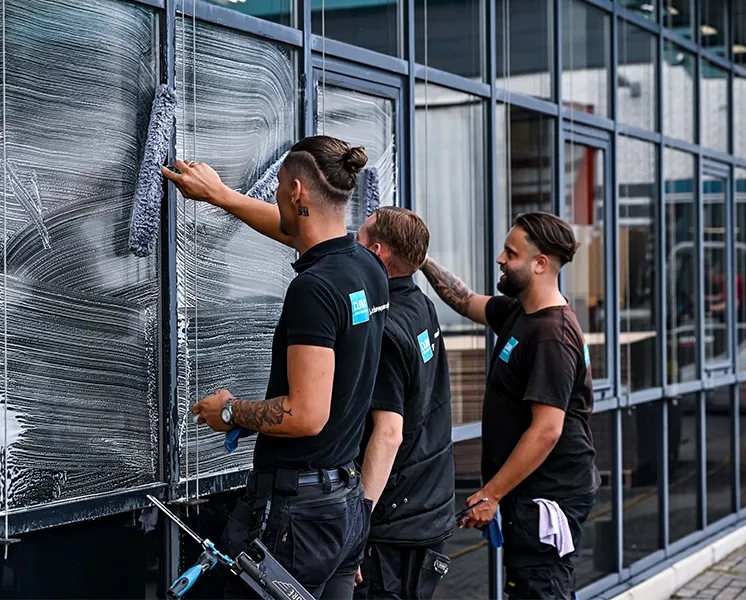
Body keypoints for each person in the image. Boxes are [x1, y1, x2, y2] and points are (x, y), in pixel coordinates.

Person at [162, 136, 390, 600]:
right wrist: (221, 195)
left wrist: (229, 412)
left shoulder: (314, 289)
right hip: (341, 506)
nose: (277, 196)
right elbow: (295, 231)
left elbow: (307, 414)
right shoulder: (366, 267)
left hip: (296, 518)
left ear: (298, 192)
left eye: (281, 185)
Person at [420, 211, 599, 600]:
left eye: (510, 253)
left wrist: (492, 494)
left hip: (547, 499)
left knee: (541, 589)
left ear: (539, 264)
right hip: (527, 494)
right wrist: (421, 257)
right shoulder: (521, 312)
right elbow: (465, 301)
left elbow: (547, 430)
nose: (501, 259)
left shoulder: (552, 337)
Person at [353, 207, 454, 600]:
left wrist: (356, 527)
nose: (351, 244)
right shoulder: (420, 305)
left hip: (393, 526)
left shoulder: (387, 328)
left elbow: (389, 433)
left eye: (358, 237)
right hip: (427, 509)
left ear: (377, 251)